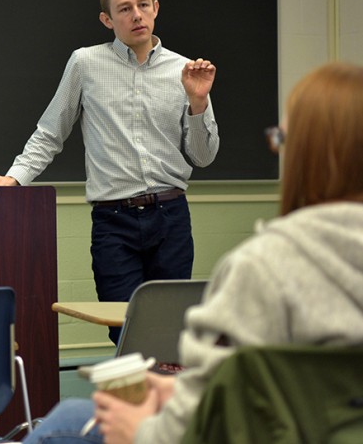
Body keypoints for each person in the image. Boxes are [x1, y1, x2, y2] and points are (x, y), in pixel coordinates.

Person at [20, 61, 363, 444]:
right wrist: (180, 389)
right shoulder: (87, 65)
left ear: (307, 155)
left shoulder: (264, 268)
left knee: (69, 419)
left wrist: (139, 431)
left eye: (280, 139)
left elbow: (193, 427)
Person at [0, 0, 220, 343]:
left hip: (170, 217)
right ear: (108, 19)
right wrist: (15, 178)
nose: (136, 15)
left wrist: (198, 102)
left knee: (168, 330)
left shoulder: (185, 71)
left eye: (142, 5)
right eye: (124, 9)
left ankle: (160, 400)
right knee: (123, 331)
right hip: (114, 221)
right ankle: (133, 398)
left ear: (155, 9)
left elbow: (202, 157)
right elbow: (50, 132)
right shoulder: (85, 63)